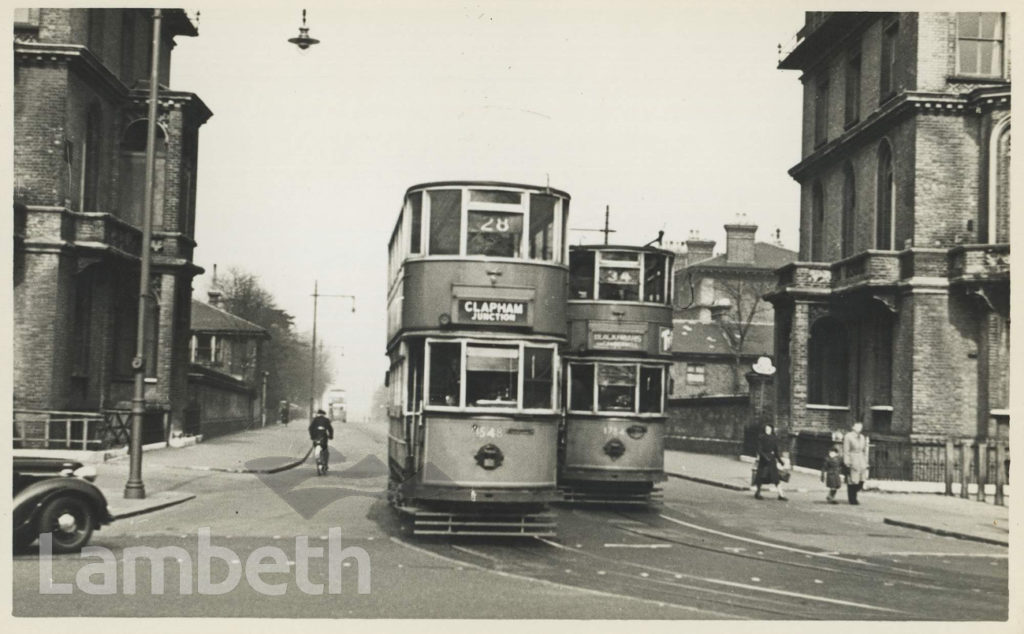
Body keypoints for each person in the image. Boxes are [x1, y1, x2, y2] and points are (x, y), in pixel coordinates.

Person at [753, 424, 787, 501]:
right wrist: (765, 457)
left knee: (776, 478)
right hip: (763, 461)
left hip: (771, 461)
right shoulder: (761, 438)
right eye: (766, 428)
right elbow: (759, 450)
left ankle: (781, 495)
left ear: (771, 430)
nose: (767, 430)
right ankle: (757, 493)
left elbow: (776, 451)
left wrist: (780, 461)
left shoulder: (774, 439)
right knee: (761, 477)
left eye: (769, 429)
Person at [842, 421, 870, 505]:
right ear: (853, 427)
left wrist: (866, 462)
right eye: (857, 426)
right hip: (853, 458)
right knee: (852, 480)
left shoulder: (862, 437)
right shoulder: (848, 436)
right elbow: (846, 450)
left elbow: (865, 450)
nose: (859, 428)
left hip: (861, 459)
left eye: (860, 426)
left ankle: (854, 495)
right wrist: (847, 461)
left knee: (861, 480)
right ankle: (852, 499)